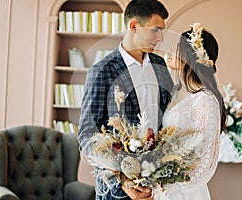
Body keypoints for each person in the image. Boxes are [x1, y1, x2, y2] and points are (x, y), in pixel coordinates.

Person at [78, 0, 174, 199]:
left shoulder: (160, 64)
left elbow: (167, 119)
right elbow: (88, 134)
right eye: (155, 30)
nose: (161, 37)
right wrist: (121, 180)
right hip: (117, 193)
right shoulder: (102, 71)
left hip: (158, 188)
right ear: (134, 26)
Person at [155, 23, 226, 200]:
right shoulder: (175, 92)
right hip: (162, 188)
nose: (172, 49)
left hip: (185, 193)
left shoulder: (206, 99)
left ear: (191, 57)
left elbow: (206, 160)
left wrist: (174, 185)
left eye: (178, 46)